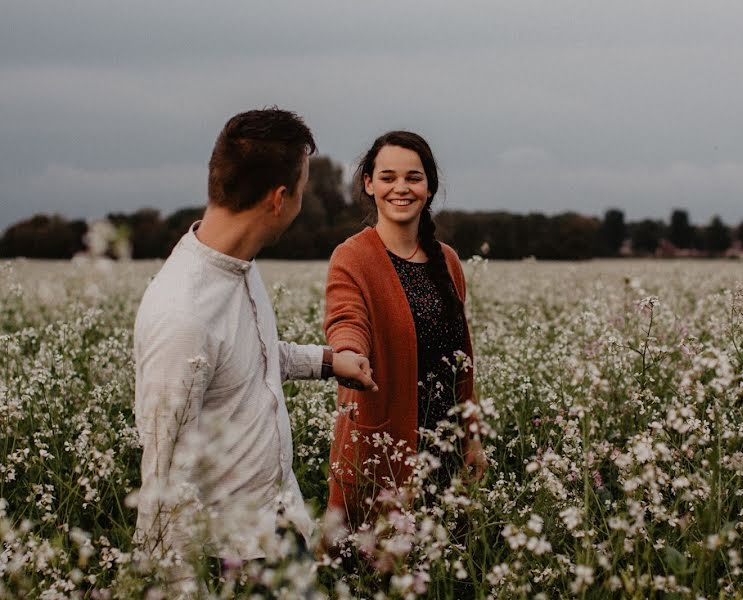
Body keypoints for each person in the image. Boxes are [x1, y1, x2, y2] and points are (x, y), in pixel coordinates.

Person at [132, 108, 377, 585]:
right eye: (302, 191)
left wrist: (329, 362)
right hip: (235, 562)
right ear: (278, 199)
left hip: (281, 530)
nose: (302, 202)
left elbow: (252, 357)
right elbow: (164, 479)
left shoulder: (238, 266)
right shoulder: (183, 312)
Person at [323, 131, 487, 530]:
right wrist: (348, 352)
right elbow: (346, 318)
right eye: (388, 177)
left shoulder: (446, 260)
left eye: (413, 178)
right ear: (368, 184)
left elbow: (460, 358)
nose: (401, 188)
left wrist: (472, 435)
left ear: (429, 187)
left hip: (444, 448)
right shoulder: (352, 256)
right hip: (385, 445)